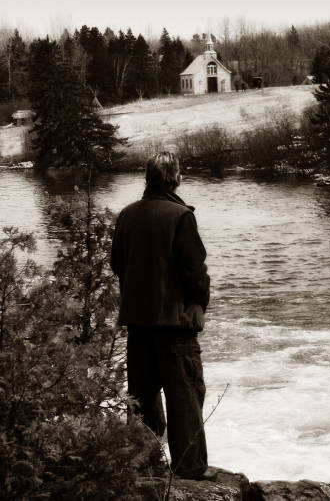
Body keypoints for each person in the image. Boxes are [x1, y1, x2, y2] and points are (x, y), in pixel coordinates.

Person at [110, 151, 212, 480]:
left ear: (147, 177)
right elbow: (195, 273)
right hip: (175, 326)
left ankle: (143, 464)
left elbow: (116, 264)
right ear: (176, 177)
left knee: (142, 399)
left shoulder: (126, 215)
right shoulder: (181, 216)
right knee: (185, 395)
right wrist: (198, 305)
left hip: (138, 324)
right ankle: (190, 468)